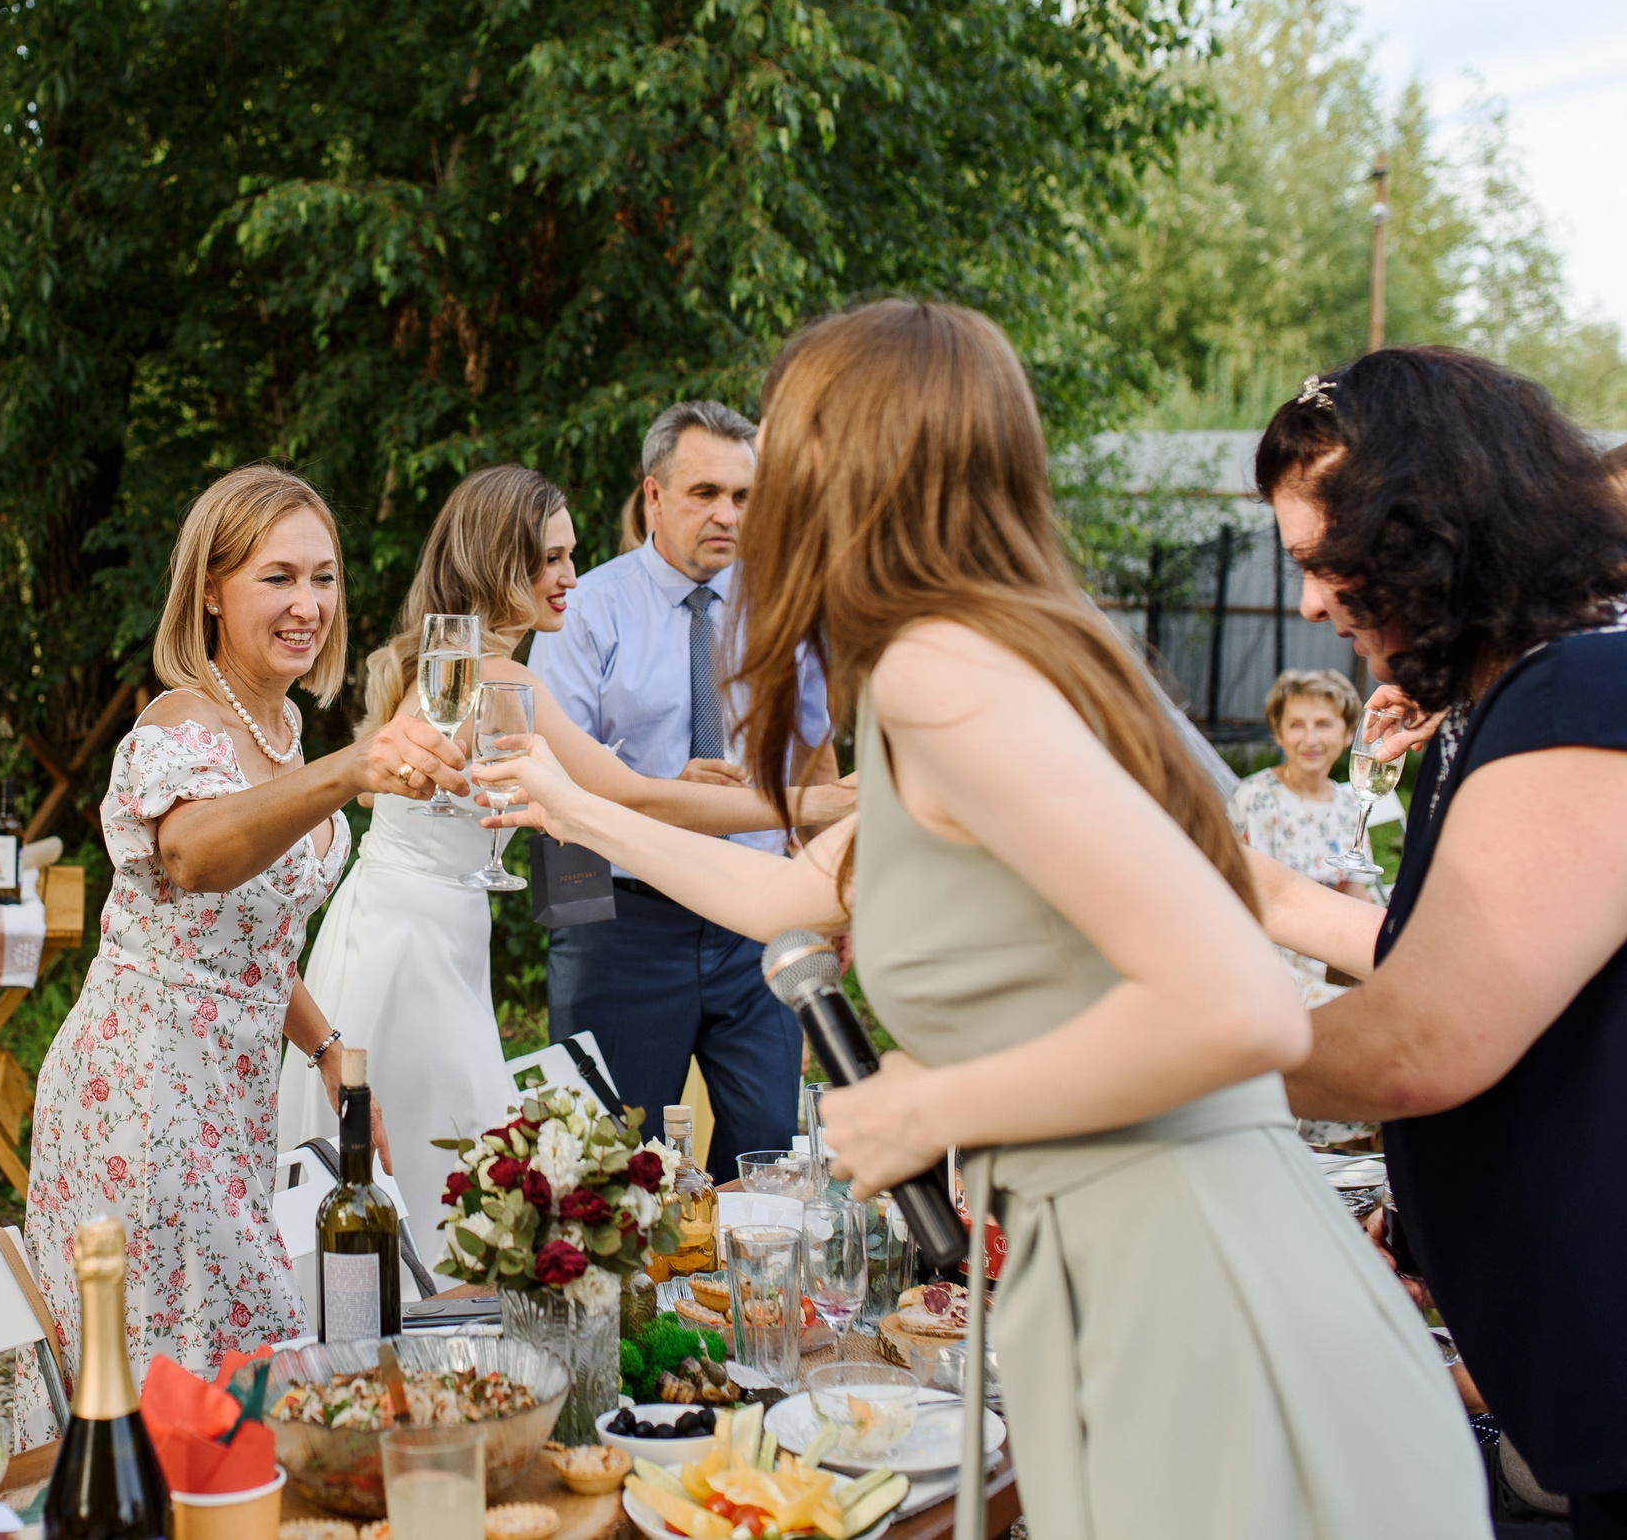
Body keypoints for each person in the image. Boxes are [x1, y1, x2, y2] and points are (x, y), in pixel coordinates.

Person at [481, 301, 1485, 1540]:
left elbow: (1236, 995)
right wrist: (568, 804)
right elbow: (786, 891)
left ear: (846, 464)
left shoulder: (943, 674)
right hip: (1119, 1280)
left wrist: (930, 1104)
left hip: (1191, 1297)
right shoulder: (976, 661)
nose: (762, 499)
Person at [274, 464, 850, 1266]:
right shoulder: (500, 676)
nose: (570, 578)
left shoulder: (435, 662)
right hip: (419, 955)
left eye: (572, 556)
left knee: (411, 1162)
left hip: (388, 928)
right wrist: (812, 806)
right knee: (449, 1155)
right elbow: (633, 804)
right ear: (496, 560)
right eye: (550, 559)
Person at [1250, 349, 1627, 1534]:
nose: (1308, 603)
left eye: (1321, 563)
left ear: (1431, 532)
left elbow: (1427, 1032)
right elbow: (1476, 970)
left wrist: (1137, 1062)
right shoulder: (1503, 706)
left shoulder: (1582, 698)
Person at [19, 465, 468, 1438]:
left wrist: (333, 1057)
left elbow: (256, 938)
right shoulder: (177, 724)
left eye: (324, 576)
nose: (307, 603)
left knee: (227, 1352)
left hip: (227, 1096)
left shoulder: (284, 726)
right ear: (212, 590)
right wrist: (355, 767)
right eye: (277, 577)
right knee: (183, 1363)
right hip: (139, 1094)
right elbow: (192, 857)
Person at [535, 400, 842, 1174]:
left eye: (742, 496)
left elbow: (817, 757)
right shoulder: (584, 611)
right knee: (609, 1160)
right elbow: (555, 777)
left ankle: (748, 1297)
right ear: (654, 496)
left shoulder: (786, 611)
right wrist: (662, 791)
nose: (728, 514)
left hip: (758, 922)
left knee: (770, 1150)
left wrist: (830, 888)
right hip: (620, 918)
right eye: (705, 492)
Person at [1226, 667, 1374, 1004]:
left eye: (1323, 724)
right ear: (1278, 735)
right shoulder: (1255, 798)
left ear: (1348, 732)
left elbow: (1354, 899)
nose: (1310, 739)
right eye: (1296, 725)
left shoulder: (1353, 805)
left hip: (1332, 956)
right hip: (1264, 959)